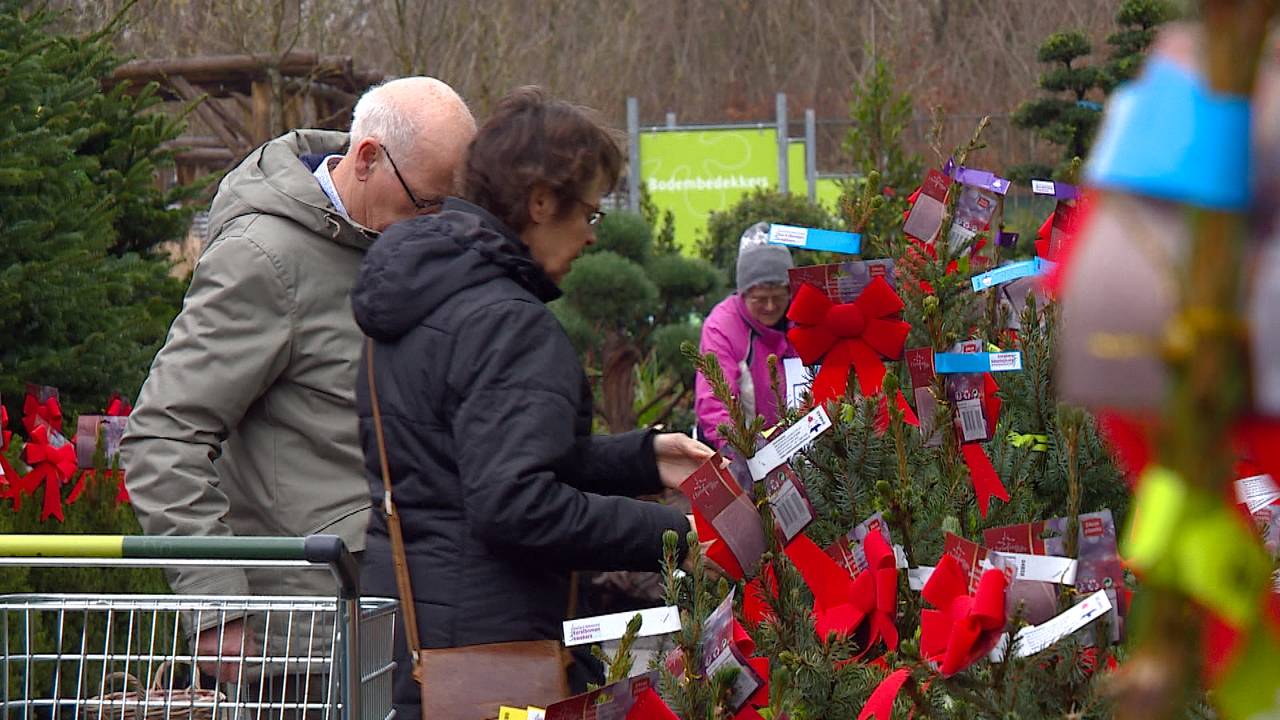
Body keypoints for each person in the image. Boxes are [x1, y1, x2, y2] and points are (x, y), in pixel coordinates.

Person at [350, 87, 715, 718]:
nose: (592, 237)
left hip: (413, 642)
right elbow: (516, 505)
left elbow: (476, 458)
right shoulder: (508, 322)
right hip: (492, 651)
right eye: (590, 214)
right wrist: (677, 534)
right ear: (542, 202)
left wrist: (644, 459)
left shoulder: (423, 299)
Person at [120, 77, 476, 690]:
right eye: (426, 203)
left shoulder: (395, 234)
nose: (437, 225)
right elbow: (162, 436)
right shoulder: (264, 259)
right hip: (306, 643)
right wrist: (215, 607)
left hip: (402, 614)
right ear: (366, 160)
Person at [695, 222, 798, 450]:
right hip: (743, 450)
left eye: (778, 297)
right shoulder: (721, 327)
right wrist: (744, 452)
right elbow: (714, 403)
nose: (770, 306)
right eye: (760, 299)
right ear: (743, 293)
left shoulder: (804, 319)